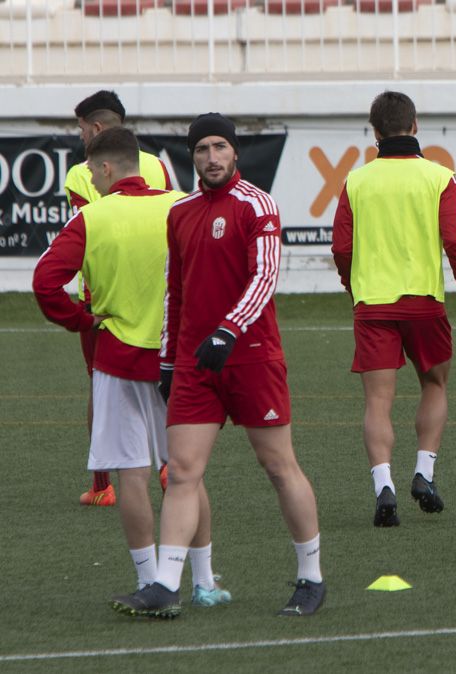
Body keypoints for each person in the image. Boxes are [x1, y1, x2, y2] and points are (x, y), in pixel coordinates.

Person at [110, 113, 325, 618]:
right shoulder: (179, 212)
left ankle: (311, 578)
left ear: (235, 153)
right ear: (192, 156)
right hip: (194, 365)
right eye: (202, 148)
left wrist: (229, 329)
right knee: (182, 470)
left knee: (278, 466)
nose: (211, 157)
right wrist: (168, 360)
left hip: (251, 358)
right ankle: (165, 583)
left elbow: (265, 275)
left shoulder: (258, 204)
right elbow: (175, 293)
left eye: (220, 147)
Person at [33, 127, 229, 606]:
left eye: (92, 173)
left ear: (103, 168)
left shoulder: (93, 217)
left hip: (118, 360)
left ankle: (149, 581)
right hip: (178, 361)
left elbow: (44, 282)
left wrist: (80, 320)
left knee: (133, 476)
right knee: (187, 474)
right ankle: (203, 582)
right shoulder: (182, 206)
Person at [332, 91, 456, 527]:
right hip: (425, 304)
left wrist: (352, 285)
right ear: (415, 125)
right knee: (434, 385)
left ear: (374, 131)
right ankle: (424, 473)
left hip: (373, 304)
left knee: (378, 401)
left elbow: (342, 248)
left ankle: (384, 485)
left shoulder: (356, 181)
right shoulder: (438, 177)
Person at [65, 89, 174, 507]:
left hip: (105, 299)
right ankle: (168, 463)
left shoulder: (81, 173)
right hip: (158, 293)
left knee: (102, 384)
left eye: (80, 129)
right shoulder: (157, 166)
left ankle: (101, 484)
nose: (79, 137)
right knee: (162, 377)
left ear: (95, 129)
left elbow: (84, 231)